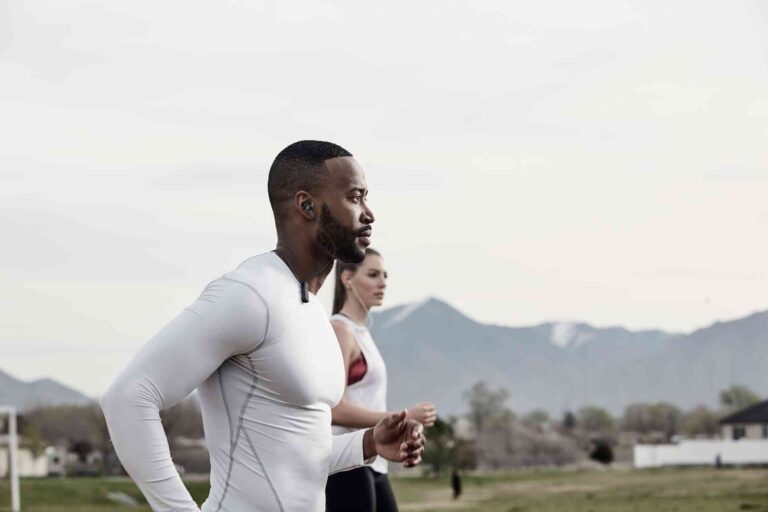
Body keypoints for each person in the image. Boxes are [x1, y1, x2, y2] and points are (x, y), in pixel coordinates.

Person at [100, 141, 426, 512]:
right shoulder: (248, 294)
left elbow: (296, 456)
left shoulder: (311, 311)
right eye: (355, 198)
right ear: (307, 205)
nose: (369, 214)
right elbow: (128, 398)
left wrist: (367, 443)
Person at [325, 249, 437, 512]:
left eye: (385, 276)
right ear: (347, 279)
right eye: (373, 275)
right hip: (348, 462)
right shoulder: (340, 330)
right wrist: (404, 415)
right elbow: (334, 409)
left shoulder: (361, 332)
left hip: (375, 462)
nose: (383, 282)